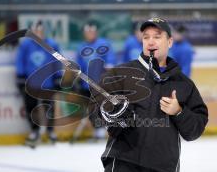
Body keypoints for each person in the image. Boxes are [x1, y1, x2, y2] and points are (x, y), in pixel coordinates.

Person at [88, 17, 208, 172]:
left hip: (164, 166)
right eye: (146, 37)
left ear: (170, 42)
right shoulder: (120, 73)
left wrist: (179, 112)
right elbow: (94, 113)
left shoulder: (184, 84)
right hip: (123, 162)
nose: (151, 42)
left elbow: (195, 131)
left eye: (157, 37)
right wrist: (111, 112)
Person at [15, 21, 61, 147]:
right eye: (35, 31)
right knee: (31, 108)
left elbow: (57, 61)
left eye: (40, 31)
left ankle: (50, 131)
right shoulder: (25, 45)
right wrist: (20, 76)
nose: (38, 33)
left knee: (49, 108)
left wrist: (58, 77)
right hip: (31, 83)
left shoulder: (52, 44)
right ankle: (35, 131)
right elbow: (20, 61)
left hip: (48, 83)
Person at [75, 21, 116, 140]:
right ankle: (97, 130)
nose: (90, 34)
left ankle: (104, 130)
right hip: (86, 84)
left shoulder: (104, 44)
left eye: (92, 31)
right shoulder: (81, 47)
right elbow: (79, 66)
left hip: (101, 84)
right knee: (92, 109)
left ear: (96, 32)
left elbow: (110, 63)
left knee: (103, 107)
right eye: (87, 32)